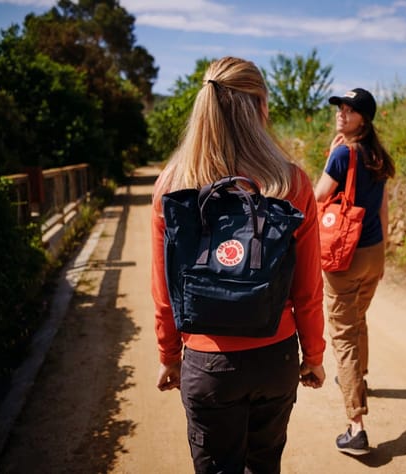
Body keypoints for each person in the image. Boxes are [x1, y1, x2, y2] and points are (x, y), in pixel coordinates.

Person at [151, 56, 326, 473]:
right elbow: (307, 287)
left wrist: (168, 355)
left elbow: (164, 290)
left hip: (208, 363)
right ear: (261, 107)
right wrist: (313, 354)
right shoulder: (290, 181)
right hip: (275, 357)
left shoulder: (173, 184)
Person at [314, 88, 395, 455]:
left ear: (364, 118)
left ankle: (356, 425)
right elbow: (383, 209)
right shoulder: (377, 154)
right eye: (340, 109)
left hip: (343, 255)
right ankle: (358, 378)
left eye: (349, 110)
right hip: (373, 252)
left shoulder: (343, 153)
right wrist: (384, 253)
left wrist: (332, 154)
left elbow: (318, 195)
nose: (341, 114)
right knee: (358, 317)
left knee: (343, 334)